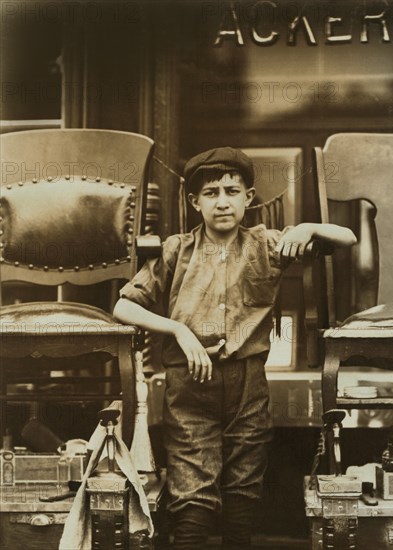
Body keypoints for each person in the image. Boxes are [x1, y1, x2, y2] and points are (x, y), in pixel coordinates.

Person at [113, 147, 357, 550]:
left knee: (243, 493)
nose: (222, 201)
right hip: (189, 385)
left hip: (248, 385)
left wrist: (308, 228)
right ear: (195, 202)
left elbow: (346, 238)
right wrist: (177, 330)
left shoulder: (268, 244)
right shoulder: (176, 250)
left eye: (232, 191)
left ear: (249, 197)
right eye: (210, 193)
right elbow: (123, 305)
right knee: (192, 495)